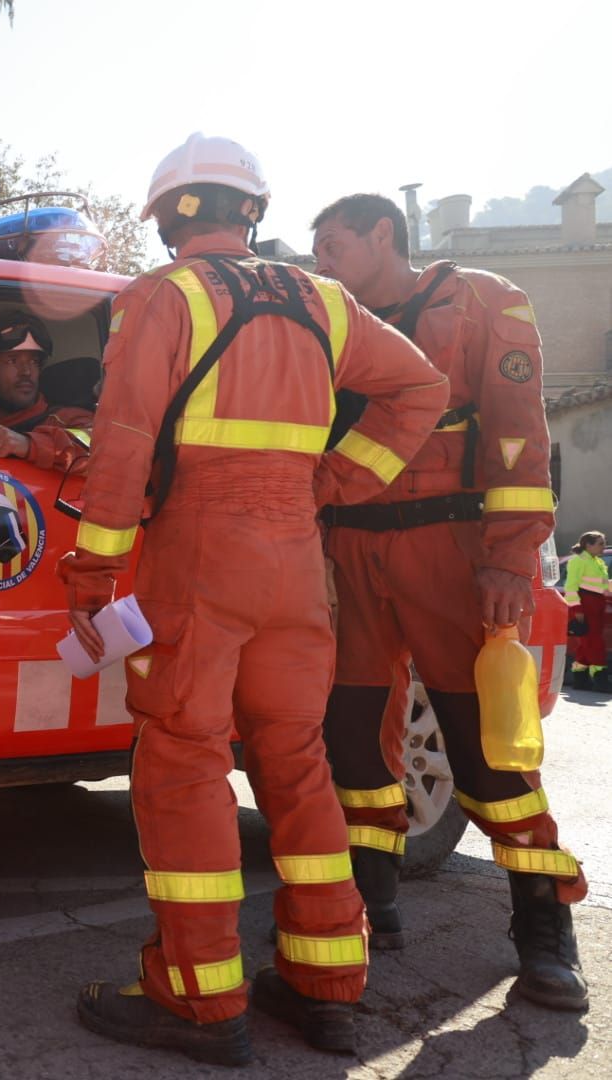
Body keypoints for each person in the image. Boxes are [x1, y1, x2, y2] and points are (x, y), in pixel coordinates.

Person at [62, 134, 448, 1065]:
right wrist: (332, 485)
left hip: (203, 554)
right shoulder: (323, 299)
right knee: (296, 761)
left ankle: (199, 1000)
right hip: (293, 558)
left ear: (166, 216)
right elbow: (421, 388)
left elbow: (119, 450)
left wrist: (91, 579)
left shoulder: (164, 297)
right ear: (253, 213)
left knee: (184, 763)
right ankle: (326, 985)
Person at [311, 193, 590, 1011]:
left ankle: (543, 931)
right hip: (350, 550)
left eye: (333, 244)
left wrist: (509, 558)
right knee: (354, 746)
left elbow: (517, 434)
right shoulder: (330, 321)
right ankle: (373, 905)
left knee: (487, 752)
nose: (322, 260)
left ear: (382, 234)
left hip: (452, 551)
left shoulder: (480, 300)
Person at [0, 310, 94, 473]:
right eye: (12, 360)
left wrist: (29, 445)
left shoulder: (66, 418)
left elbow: (106, 450)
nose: (26, 371)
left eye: (34, 361)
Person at [564, 530, 609, 692]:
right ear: (588, 545)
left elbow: (602, 585)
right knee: (595, 642)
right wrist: (576, 608)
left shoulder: (596, 561)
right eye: (600, 543)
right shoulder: (579, 561)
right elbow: (570, 587)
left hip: (596, 604)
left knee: (586, 644)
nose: (603, 546)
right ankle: (600, 679)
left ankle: (580, 680)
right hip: (585, 604)